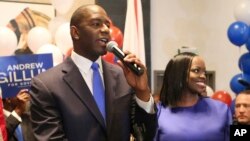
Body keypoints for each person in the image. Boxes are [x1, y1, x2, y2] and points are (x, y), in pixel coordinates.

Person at [29, 4, 155, 141]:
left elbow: (145, 134)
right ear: (75, 33)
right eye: (96, 24)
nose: (106, 29)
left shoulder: (122, 76)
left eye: (107, 24)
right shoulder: (46, 85)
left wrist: (142, 92)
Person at [153, 52, 232, 141]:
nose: (203, 76)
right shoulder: (159, 112)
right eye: (196, 70)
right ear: (179, 74)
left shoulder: (221, 110)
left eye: (204, 72)